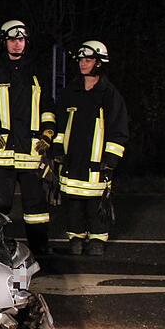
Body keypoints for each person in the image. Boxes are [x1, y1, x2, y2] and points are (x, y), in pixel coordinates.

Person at [0, 19, 56, 256]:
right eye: (12, 40)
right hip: (0, 153)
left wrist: (47, 134)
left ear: (26, 41)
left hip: (30, 152)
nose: (17, 44)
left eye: (21, 39)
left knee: (36, 207)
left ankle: (40, 248)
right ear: (4, 41)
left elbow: (48, 107)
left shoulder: (36, 73)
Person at [51, 40, 129, 256]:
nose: (83, 64)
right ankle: (75, 237)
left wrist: (110, 159)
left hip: (97, 163)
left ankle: (97, 239)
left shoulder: (109, 95)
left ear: (99, 63)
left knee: (96, 203)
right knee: (73, 202)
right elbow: (60, 126)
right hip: (71, 161)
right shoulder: (70, 92)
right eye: (81, 60)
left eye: (88, 60)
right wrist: (57, 151)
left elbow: (118, 129)